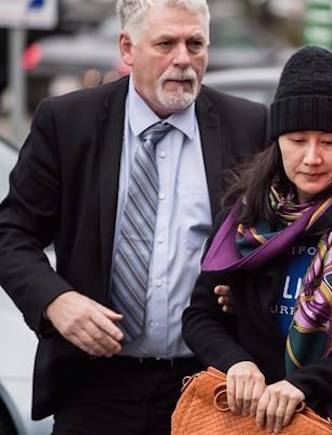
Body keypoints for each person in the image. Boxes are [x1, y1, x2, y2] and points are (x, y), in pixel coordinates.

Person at [0, 0, 267, 433]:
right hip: (94, 386)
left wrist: (252, 293)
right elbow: (11, 233)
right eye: (166, 43)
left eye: (195, 43)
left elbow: (281, 238)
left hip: (206, 386)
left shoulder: (248, 125)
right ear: (128, 47)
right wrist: (55, 301)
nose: (184, 58)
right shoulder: (69, 122)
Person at [182, 45, 332, 435]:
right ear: (277, 140)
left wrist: (306, 385)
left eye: (329, 142)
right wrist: (236, 363)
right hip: (247, 423)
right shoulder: (246, 217)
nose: (312, 157)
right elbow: (200, 315)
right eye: (297, 140)